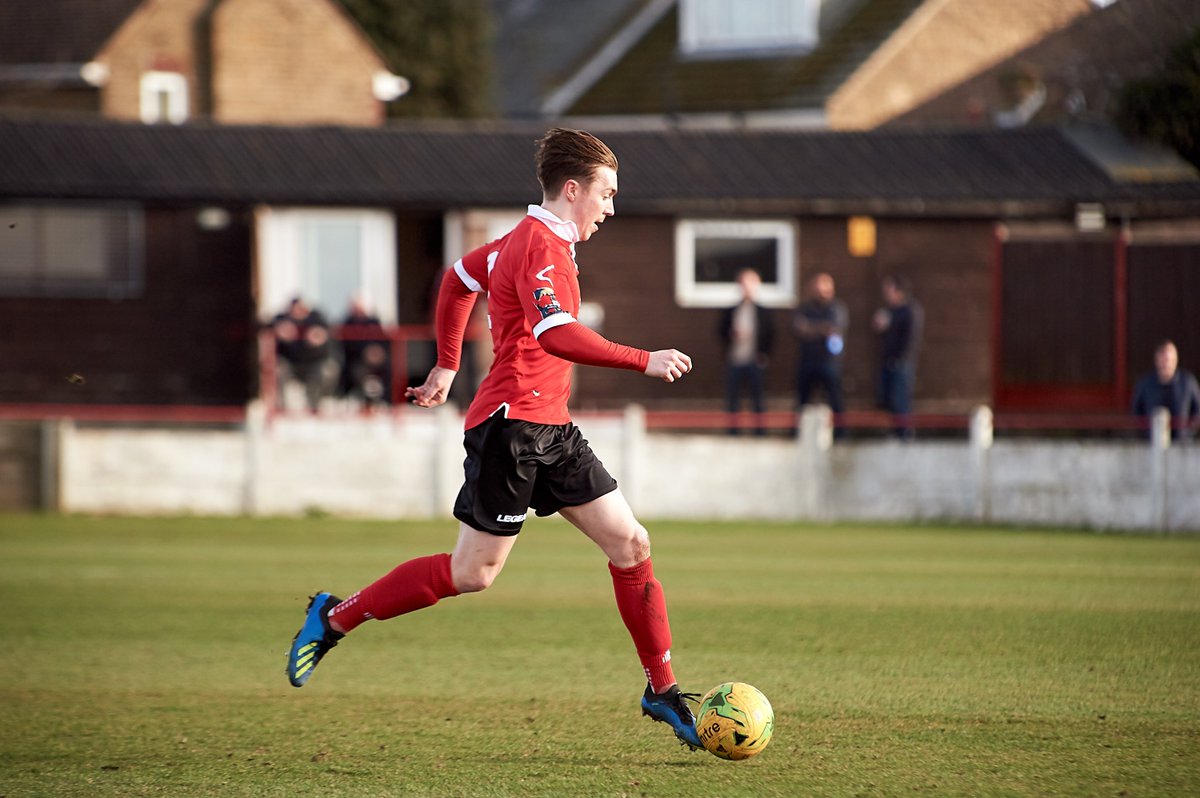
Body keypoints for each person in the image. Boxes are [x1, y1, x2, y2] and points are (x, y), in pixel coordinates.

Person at [286, 128, 704, 750]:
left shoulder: (522, 240)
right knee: (472, 573)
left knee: (631, 544)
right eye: (606, 194)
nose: (611, 209)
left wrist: (447, 365)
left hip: (552, 428)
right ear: (572, 189)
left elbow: (459, 278)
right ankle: (334, 616)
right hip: (510, 428)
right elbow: (557, 334)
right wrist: (644, 359)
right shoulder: (538, 247)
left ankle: (661, 689)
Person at [718, 268, 774, 435]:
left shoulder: (763, 311)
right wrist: (731, 336)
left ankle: (760, 432)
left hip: (755, 360)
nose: (747, 288)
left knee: (757, 397)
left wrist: (764, 355)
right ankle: (732, 431)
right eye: (743, 284)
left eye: (750, 283)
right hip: (735, 359)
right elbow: (720, 331)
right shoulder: (731, 310)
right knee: (733, 398)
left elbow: (770, 334)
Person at [872, 274, 923, 439]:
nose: (886, 294)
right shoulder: (890, 311)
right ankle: (895, 430)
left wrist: (900, 359)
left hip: (902, 363)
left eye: (889, 289)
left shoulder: (910, 310)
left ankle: (905, 433)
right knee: (887, 398)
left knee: (900, 398)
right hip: (888, 361)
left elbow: (909, 338)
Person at [794, 272, 847, 427]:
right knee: (802, 399)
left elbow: (833, 329)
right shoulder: (805, 308)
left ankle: (841, 431)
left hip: (829, 362)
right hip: (808, 360)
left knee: (835, 397)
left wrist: (810, 328)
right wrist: (821, 329)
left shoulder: (837, 308)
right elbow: (798, 328)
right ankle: (798, 430)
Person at [271, 296, 339, 412]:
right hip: (291, 365)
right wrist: (279, 330)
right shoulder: (282, 320)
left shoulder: (317, 320)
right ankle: (282, 408)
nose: (298, 312)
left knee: (328, 370)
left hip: (313, 364)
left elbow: (328, 336)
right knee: (278, 369)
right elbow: (266, 326)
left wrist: (319, 337)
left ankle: (315, 406)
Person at [1131, 339, 1200, 439]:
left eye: (1169, 360)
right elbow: (1136, 412)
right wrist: (1145, 433)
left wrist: (1188, 432)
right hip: (1151, 443)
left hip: (1183, 444)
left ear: (1175, 360)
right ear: (1156, 360)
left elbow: (1197, 410)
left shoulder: (1188, 383)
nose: (1166, 364)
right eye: (1163, 360)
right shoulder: (1145, 384)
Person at [337, 294, 392, 406]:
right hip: (355, 362)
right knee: (359, 373)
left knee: (390, 369)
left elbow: (384, 342)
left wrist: (377, 352)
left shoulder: (374, 322)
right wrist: (365, 353)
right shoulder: (347, 324)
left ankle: (386, 401)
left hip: (377, 363)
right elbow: (346, 346)